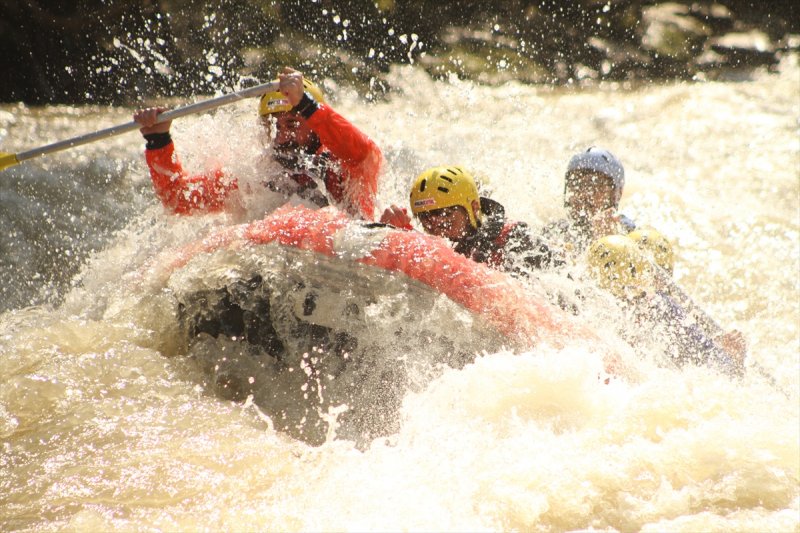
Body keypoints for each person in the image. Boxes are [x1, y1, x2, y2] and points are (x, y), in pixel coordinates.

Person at [133, 67, 383, 221]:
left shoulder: (345, 168)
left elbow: (366, 152)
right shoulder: (256, 177)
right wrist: (159, 140)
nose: (284, 137)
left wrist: (306, 105)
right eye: (276, 126)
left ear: (314, 122)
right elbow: (178, 199)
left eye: (293, 124)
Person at [586, 234, 745, 377]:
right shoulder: (661, 307)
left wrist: (733, 360)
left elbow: (714, 366)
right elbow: (724, 372)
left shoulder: (661, 308)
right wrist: (734, 359)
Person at [380, 166, 562, 275]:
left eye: (444, 212)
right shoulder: (438, 245)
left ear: (474, 208)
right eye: (425, 216)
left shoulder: (514, 240)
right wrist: (389, 232)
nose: (435, 223)